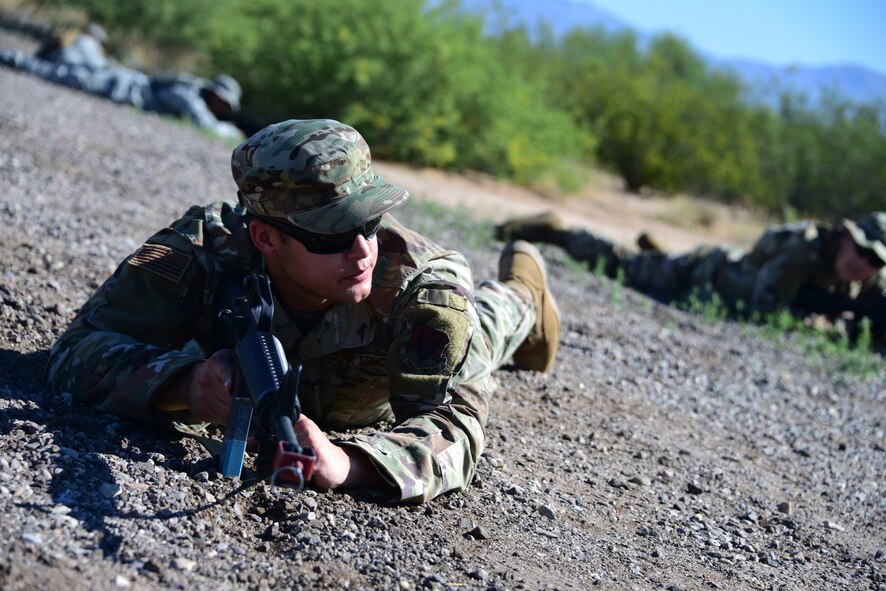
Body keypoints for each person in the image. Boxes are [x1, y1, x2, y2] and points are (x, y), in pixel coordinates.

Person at [45, 119, 561, 504]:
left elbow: (456, 428)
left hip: (394, 377)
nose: (362, 250)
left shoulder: (420, 291)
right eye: (334, 235)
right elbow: (76, 349)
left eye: (372, 222)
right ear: (265, 237)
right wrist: (185, 385)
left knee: (487, 325)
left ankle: (524, 292)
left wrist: (350, 463)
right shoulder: (204, 251)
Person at [497, 211, 886, 336]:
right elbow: (765, 310)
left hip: (720, 272)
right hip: (705, 274)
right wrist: (840, 326)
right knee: (625, 267)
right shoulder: (801, 253)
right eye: (862, 251)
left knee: (651, 263)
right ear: (846, 237)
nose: (863, 264)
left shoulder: (867, 281)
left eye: (876, 261)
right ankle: (558, 232)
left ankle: (660, 255)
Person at [0, 44, 243, 139]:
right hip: (119, 86)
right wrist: (233, 132)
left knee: (65, 70)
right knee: (59, 74)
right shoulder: (190, 96)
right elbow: (204, 123)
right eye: (224, 103)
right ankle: (14, 58)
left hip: (121, 80)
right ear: (215, 95)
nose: (223, 108)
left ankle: (17, 58)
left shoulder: (190, 90)